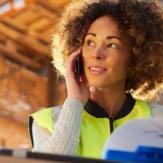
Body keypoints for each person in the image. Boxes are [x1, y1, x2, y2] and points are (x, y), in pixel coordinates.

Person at [29, 0, 163, 159]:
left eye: (112, 45)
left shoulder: (157, 119)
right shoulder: (48, 120)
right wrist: (74, 102)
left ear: (136, 57)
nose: (97, 53)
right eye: (90, 42)